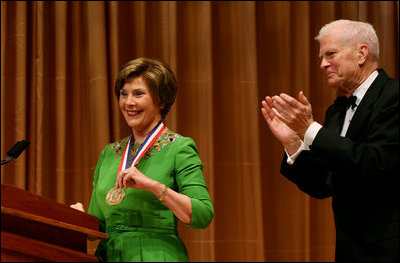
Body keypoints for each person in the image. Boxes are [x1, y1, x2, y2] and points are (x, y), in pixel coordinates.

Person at [261, 19, 399, 261]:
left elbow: (376, 164)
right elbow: (324, 184)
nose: (323, 64)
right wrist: (293, 142)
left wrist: (311, 129)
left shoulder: (393, 96)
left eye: (330, 54)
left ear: (361, 53)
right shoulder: (337, 110)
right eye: (321, 58)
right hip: (349, 251)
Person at [71, 58, 213, 262]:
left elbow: (202, 214)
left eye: (138, 94)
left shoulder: (179, 147)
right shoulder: (110, 153)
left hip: (157, 255)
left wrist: (153, 186)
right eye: (123, 94)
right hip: (109, 256)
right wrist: (78, 220)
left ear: (161, 100)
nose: (128, 102)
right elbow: (99, 227)